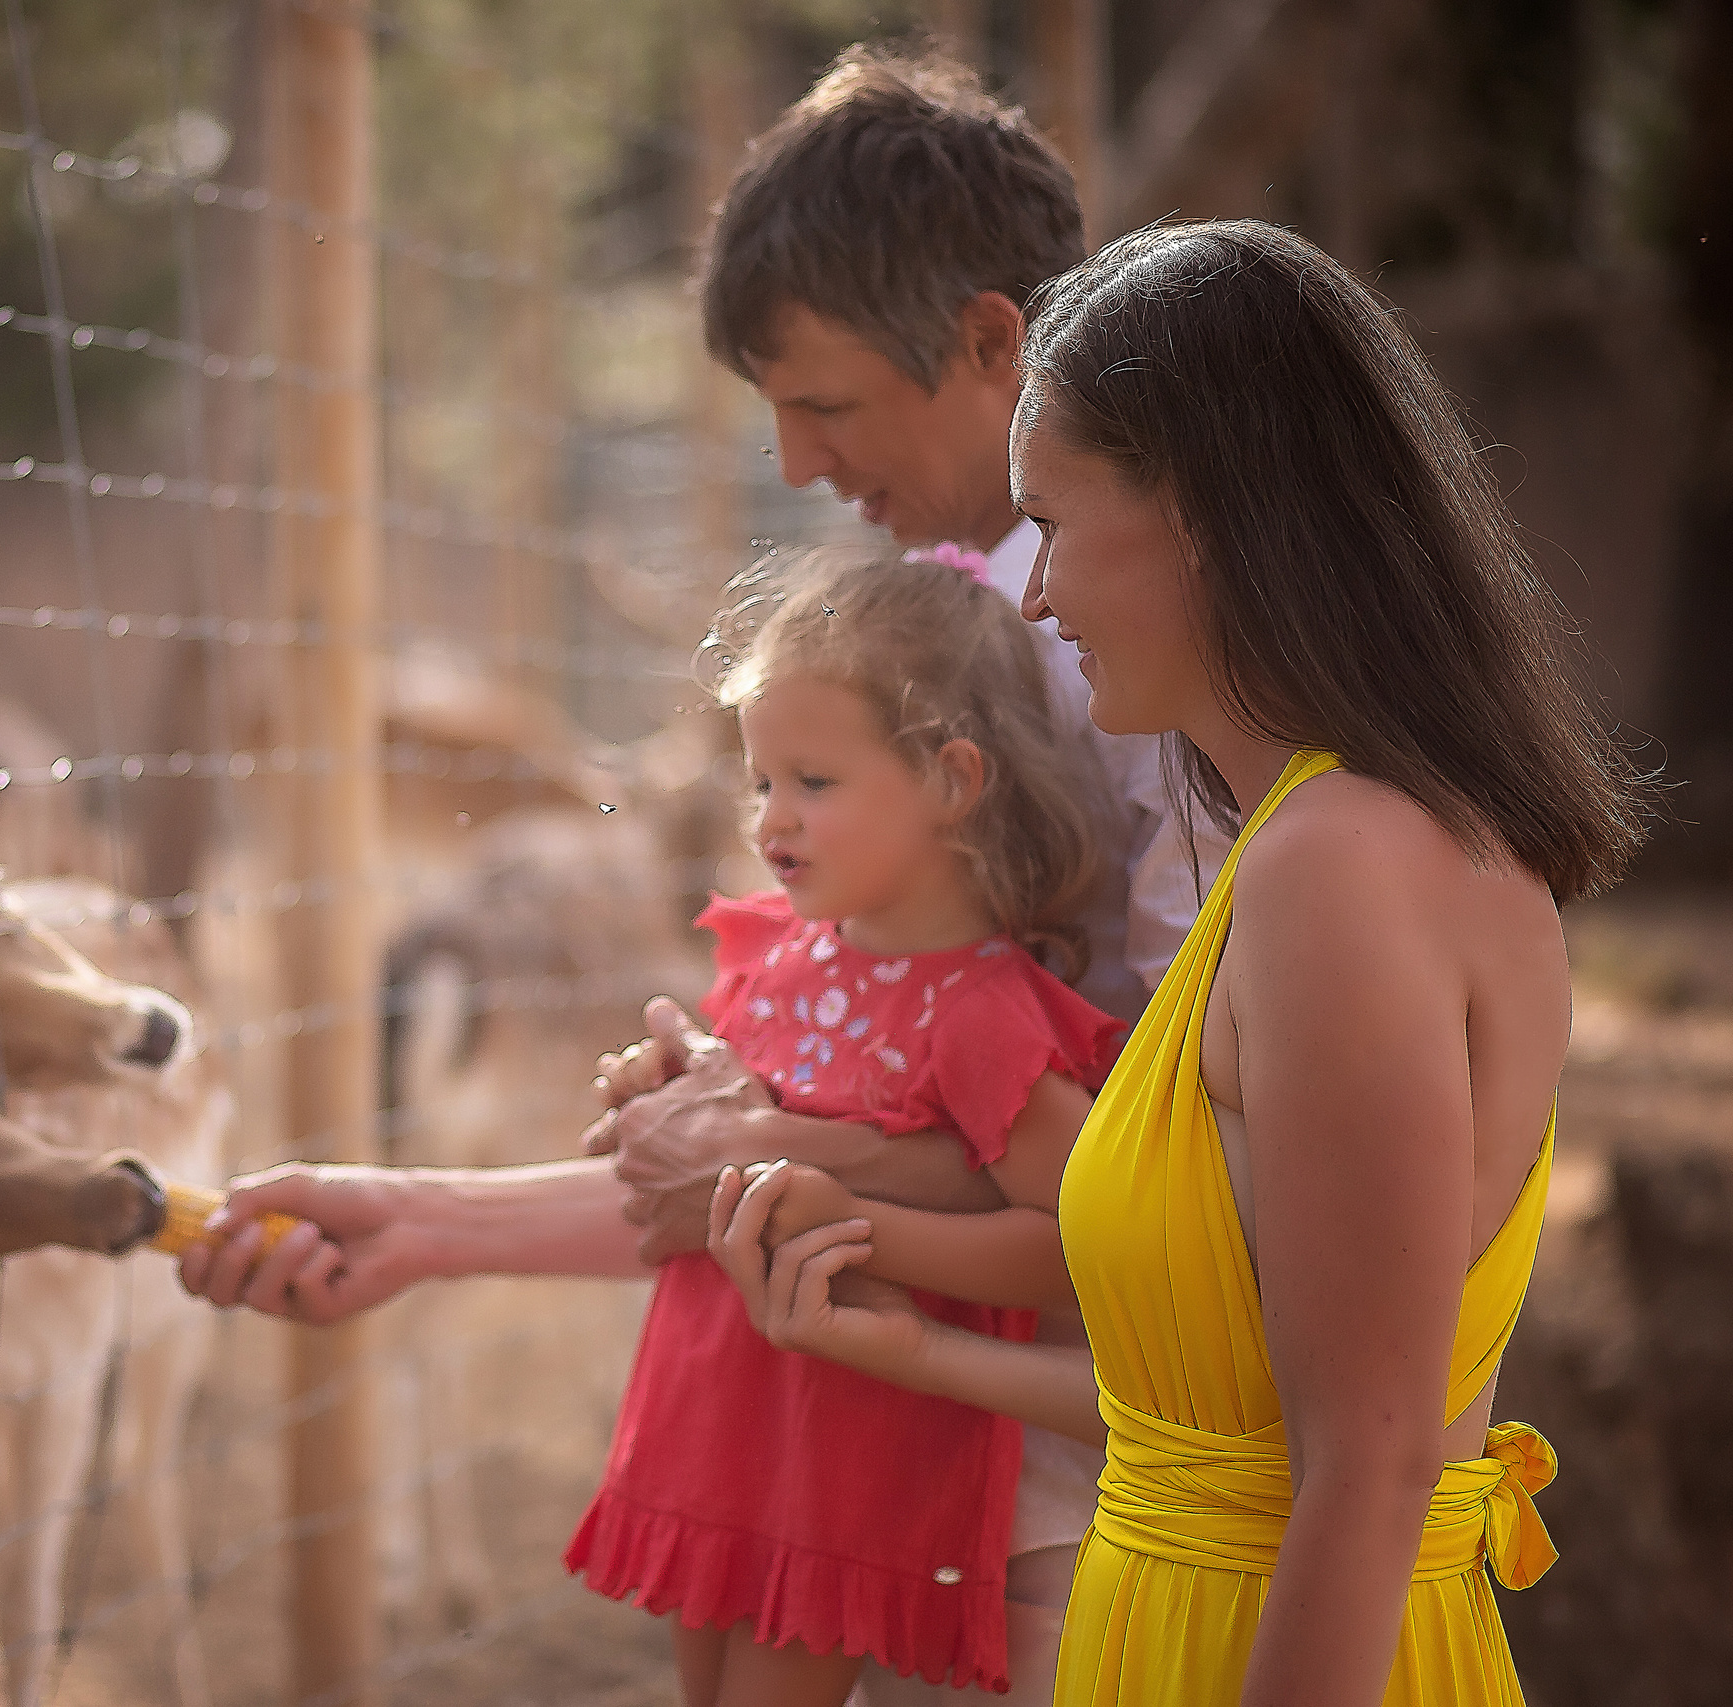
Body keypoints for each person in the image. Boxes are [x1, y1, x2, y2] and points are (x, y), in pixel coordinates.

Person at [183, 47, 1211, 1703]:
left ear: (990, 342)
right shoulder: (939, 642)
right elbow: (862, 1130)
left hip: (1091, 1477)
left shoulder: (1121, 672)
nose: (798, 463)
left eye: (827, 404)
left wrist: (782, 1136)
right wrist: (435, 1218)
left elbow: (1151, 1163)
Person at [704, 218, 1650, 1705]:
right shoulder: (1317, 841)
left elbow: (1373, 1459)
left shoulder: (1338, 864)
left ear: (1207, 512)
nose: (1033, 593)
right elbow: (1239, 1418)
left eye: (1056, 525)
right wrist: (903, 1338)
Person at [564, 547, 1126, 1705]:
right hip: (719, 1415)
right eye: (760, 782)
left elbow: (1083, 1237)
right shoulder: (775, 955)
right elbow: (736, 1115)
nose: (773, 819)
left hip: (838, 1455)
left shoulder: (976, 1015)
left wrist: (852, 1222)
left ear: (952, 781)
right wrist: (664, 1092)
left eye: (812, 783)